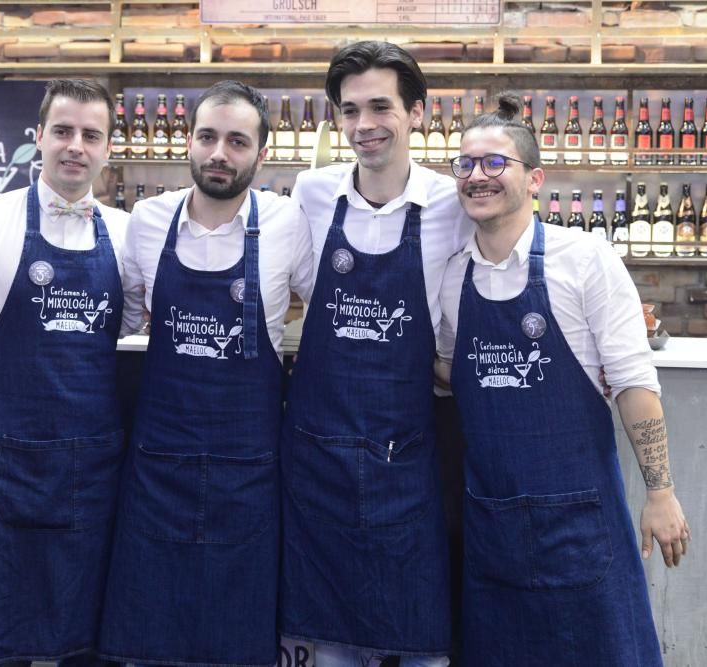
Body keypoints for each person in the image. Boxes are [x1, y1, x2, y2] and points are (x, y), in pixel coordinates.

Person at [436, 93, 690, 666]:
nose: (478, 175)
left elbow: (632, 383)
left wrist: (661, 492)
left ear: (535, 179)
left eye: (495, 163)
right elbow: (454, 369)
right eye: (466, 164)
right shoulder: (453, 278)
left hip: (578, 528)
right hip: (491, 529)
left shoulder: (585, 259)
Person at [0, 79, 134, 666]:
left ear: (109, 148)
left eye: (91, 135)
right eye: (62, 131)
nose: (75, 147)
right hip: (1, 474)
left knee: (90, 644)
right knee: (0, 638)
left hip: (95, 475)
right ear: (38, 137)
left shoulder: (128, 233)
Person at [97, 80, 313, 666]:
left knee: (236, 639)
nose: (220, 152)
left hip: (248, 470)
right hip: (158, 466)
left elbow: (325, 315)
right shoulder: (146, 220)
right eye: (209, 137)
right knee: (149, 639)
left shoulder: (290, 223)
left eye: (237, 141)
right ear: (189, 143)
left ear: (262, 155)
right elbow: (126, 317)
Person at [281, 41, 472, 667]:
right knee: (320, 635)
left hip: (407, 452)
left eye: (380, 107)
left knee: (414, 632)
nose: (364, 125)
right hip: (317, 448)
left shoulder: (455, 202)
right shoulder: (311, 194)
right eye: (349, 110)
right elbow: (286, 285)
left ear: (417, 112)